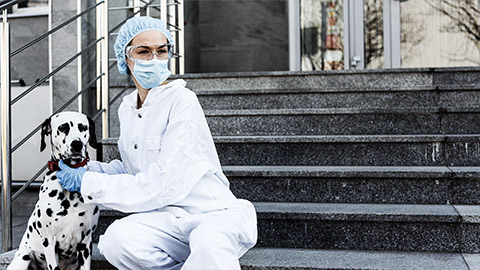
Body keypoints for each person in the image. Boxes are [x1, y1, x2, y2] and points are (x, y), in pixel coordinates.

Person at [56, 16, 257, 270]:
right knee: (117, 241)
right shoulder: (127, 107)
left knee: (209, 244)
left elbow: (165, 182)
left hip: (210, 214)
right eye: (144, 51)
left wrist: (87, 183)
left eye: (161, 51)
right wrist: (90, 170)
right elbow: (135, 169)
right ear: (125, 59)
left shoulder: (182, 100)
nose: (154, 59)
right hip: (166, 219)